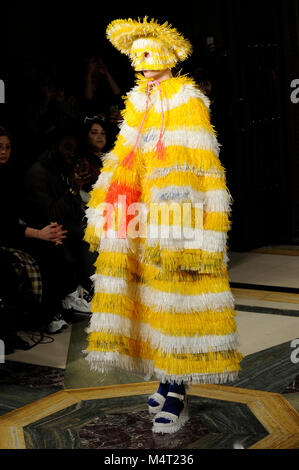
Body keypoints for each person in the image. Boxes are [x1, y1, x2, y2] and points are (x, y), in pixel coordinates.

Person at [83, 17, 243, 434]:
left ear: (170, 56)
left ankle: (176, 389)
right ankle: (164, 378)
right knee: (152, 298)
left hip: (175, 215)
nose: (140, 59)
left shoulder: (186, 97)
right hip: (139, 211)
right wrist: (105, 199)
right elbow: (123, 152)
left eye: (148, 51)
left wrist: (186, 221)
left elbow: (198, 160)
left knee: (175, 299)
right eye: (135, 54)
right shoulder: (138, 99)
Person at [0, 126, 69, 344]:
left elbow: (18, 215)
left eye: (7, 147)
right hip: (4, 236)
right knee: (16, 266)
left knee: (54, 246)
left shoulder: (9, 175)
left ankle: (47, 315)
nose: (3, 151)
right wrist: (39, 233)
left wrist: (47, 232)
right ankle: (10, 330)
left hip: (14, 233)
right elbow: (3, 224)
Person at [23, 129, 96, 319]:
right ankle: (74, 295)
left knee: (89, 231)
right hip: (39, 227)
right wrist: (72, 189)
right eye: (67, 147)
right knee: (79, 236)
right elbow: (50, 214)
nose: (72, 152)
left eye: (75, 148)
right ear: (55, 146)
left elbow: (71, 210)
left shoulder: (62, 169)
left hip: (59, 223)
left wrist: (75, 189)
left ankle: (88, 290)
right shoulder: (39, 172)